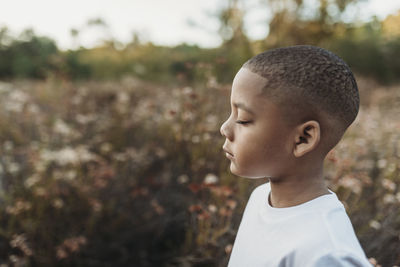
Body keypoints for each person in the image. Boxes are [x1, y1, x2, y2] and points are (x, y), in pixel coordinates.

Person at [219, 45, 372, 267]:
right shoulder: (261, 198)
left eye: (242, 119)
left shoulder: (326, 254)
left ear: (303, 139)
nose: (224, 128)